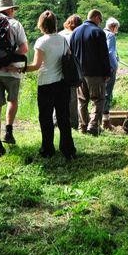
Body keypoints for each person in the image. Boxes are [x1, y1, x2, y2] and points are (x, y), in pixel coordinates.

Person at [20, 11, 76, 159]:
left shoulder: (41, 41)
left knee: (45, 118)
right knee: (63, 117)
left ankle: (47, 149)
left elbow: (37, 65)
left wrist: (22, 68)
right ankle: (68, 149)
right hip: (62, 84)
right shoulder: (63, 40)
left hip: (46, 84)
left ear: (41, 24)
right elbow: (67, 57)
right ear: (55, 24)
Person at [0, 0, 29, 157]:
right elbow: (24, 48)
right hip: (11, 72)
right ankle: (8, 131)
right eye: (13, 9)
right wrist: (9, 58)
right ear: (10, 10)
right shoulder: (15, 24)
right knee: (13, 101)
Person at [69, 9, 112, 135]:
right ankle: (93, 126)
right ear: (97, 17)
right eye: (100, 20)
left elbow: (71, 53)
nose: (100, 23)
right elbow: (104, 55)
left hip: (79, 73)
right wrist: (107, 73)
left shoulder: (75, 31)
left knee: (82, 101)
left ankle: (83, 126)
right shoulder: (98, 32)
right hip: (95, 73)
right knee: (98, 99)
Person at [59, 14, 82, 129]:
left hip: (58, 69)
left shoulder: (59, 34)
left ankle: (56, 121)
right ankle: (73, 122)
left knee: (57, 96)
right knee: (73, 97)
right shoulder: (75, 35)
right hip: (70, 69)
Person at [102, 17, 121, 129]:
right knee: (107, 93)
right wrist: (115, 66)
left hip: (99, 68)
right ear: (113, 27)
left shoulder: (100, 33)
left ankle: (100, 119)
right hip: (109, 69)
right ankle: (105, 121)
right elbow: (110, 52)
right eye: (117, 28)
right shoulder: (111, 35)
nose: (116, 30)